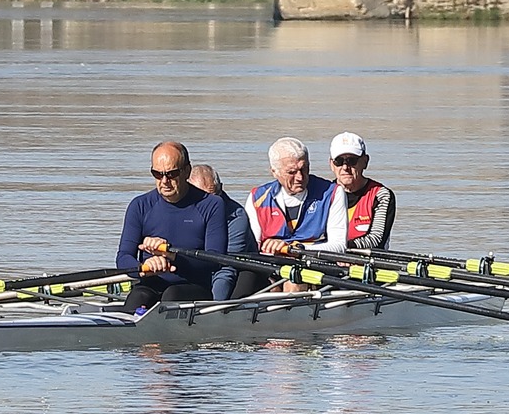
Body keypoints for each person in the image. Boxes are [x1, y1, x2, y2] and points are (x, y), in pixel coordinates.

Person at [117, 141, 236, 311]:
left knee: (171, 296)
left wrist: (170, 255)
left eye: (171, 174)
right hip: (150, 285)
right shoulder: (139, 206)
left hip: (193, 288)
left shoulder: (211, 205)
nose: (164, 181)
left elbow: (215, 260)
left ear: (187, 171)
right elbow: (123, 257)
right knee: (138, 297)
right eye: (157, 174)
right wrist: (145, 267)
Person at [233, 137, 334, 296]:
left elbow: (339, 246)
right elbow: (253, 249)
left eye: (304, 168)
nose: (300, 177)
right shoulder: (257, 197)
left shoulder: (332, 192)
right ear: (274, 172)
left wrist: (294, 249)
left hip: (314, 265)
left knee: (293, 280)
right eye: (291, 172)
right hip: (273, 266)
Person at [308, 132, 395, 253]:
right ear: (331, 165)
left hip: (367, 261)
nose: (345, 167)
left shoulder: (381, 195)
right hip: (329, 258)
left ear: (365, 162)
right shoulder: (323, 194)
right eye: (339, 161)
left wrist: (339, 246)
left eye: (351, 161)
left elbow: (376, 239)